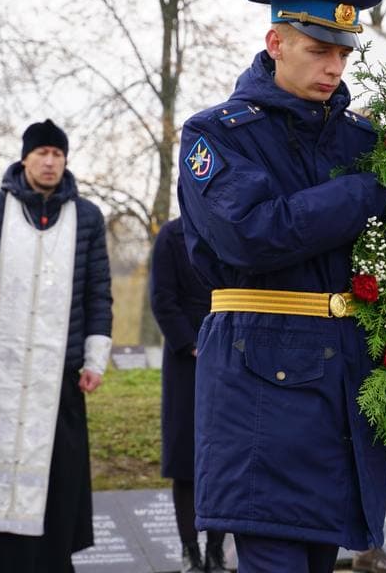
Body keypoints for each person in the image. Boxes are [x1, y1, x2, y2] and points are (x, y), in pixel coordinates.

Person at [176, 0, 386, 573]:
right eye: (318, 49)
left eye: (343, 53)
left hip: (342, 377)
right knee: (272, 554)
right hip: (258, 377)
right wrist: (362, 193)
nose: (334, 67)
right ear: (276, 41)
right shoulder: (216, 134)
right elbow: (250, 232)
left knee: (321, 556)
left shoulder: (361, 140)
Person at [0, 120, 114, 571]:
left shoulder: (87, 216)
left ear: (65, 160)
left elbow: (98, 291)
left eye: (57, 154)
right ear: (25, 158)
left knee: (59, 481)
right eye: (41, 153)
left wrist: (94, 358)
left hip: (59, 374)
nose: (49, 161)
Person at [149, 217, 230, 573]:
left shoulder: (229, 228)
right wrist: (192, 344)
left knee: (225, 460)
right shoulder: (171, 235)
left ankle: (216, 550)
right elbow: (163, 299)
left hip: (230, 356)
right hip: (187, 361)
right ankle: (189, 552)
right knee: (186, 460)